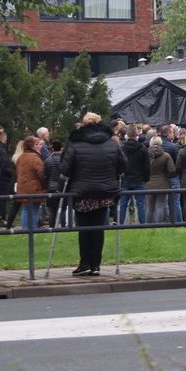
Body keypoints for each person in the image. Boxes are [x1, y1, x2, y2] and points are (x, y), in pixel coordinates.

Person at [60, 113, 126, 276]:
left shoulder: (75, 142)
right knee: (98, 228)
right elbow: (123, 165)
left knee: (84, 228)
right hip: (105, 192)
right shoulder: (112, 143)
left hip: (82, 193)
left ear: (83, 124)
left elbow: (65, 169)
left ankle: (85, 263)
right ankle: (96, 264)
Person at [118, 125, 150, 225]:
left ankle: (120, 224)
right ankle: (142, 224)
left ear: (127, 134)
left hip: (126, 178)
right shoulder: (143, 149)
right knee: (140, 204)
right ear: (137, 134)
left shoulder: (122, 148)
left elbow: (118, 164)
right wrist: (145, 178)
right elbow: (147, 166)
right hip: (139, 179)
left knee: (123, 204)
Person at [14, 135, 46, 231]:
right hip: (34, 189)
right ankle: (32, 231)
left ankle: (24, 231)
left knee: (26, 210)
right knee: (34, 210)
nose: (40, 146)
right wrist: (45, 186)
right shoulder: (36, 158)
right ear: (34, 146)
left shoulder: (21, 157)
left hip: (23, 188)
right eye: (38, 144)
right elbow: (41, 174)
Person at [145, 136, 175, 224]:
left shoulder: (146, 155)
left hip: (149, 183)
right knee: (160, 206)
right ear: (161, 143)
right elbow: (172, 170)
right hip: (162, 183)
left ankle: (148, 225)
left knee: (149, 207)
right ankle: (159, 225)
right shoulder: (166, 156)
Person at [44, 140, 66, 227]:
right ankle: (64, 226)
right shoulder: (64, 160)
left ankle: (52, 227)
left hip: (51, 187)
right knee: (63, 208)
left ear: (52, 148)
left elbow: (45, 175)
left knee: (52, 209)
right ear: (61, 148)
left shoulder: (47, 160)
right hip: (62, 187)